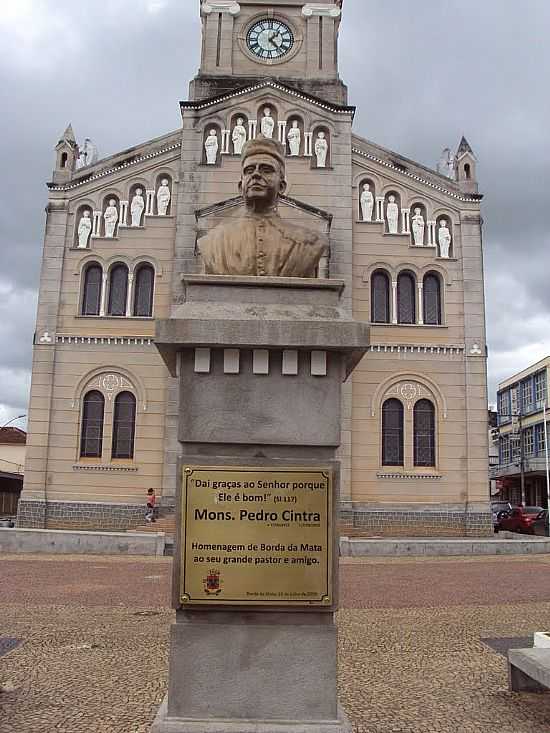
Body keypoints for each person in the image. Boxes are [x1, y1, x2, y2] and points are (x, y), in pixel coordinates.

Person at [198, 135, 327, 277]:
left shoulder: (309, 243)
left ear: (282, 186)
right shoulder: (214, 242)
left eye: (266, 170)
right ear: (241, 187)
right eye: (249, 170)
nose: (256, 175)